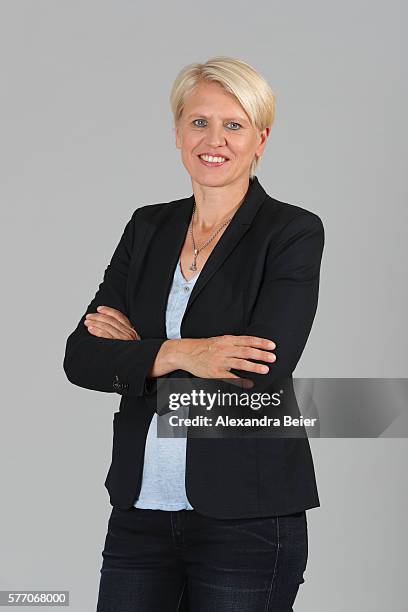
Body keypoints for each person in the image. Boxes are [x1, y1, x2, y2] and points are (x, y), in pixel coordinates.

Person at [63, 56, 325, 611]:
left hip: (246, 516)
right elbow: (82, 357)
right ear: (178, 132)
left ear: (261, 139)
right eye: (200, 122)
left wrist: (138, 356)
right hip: (141, 512)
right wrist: (191, 353)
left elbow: (260, 370)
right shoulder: (147, 226)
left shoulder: (291, 231)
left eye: (234, 125)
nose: (215, 139)